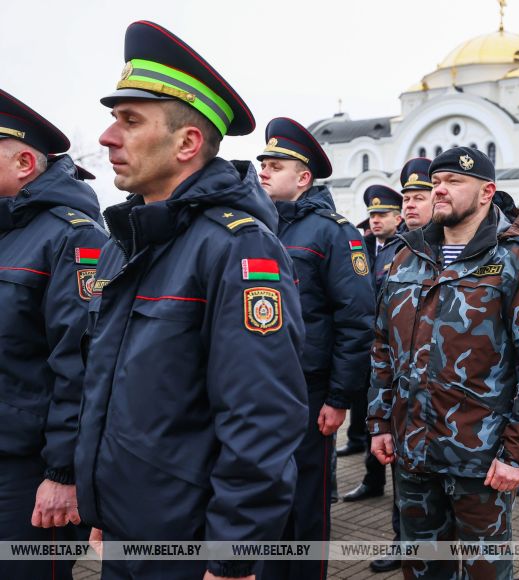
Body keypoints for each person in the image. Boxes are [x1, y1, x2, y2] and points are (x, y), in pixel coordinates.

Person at [74, 21, 308, 580]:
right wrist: (103, 506)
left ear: (187, 143)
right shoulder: (127, 241)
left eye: (129, 121)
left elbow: (261, 415)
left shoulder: (237, 246)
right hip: (130, 528)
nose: (108, 137)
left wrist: (232, 558)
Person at [368, 146, 519, 579]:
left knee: (485, 571)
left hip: (480, 456)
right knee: (422, 567)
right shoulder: (408, 256)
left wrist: (517, 454)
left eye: (453, 182)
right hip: (412, 450)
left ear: (486, 192)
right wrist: (380, 421)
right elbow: (384, 346)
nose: (439, 189)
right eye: (436, 181)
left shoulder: (518, 261)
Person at [256, 117, 375, 580]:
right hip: (259, 386)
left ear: (303, 178)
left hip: (309, 390)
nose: (264, 170)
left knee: (307, 500)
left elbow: (355, 319)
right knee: (263, 495)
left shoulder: (334, 232)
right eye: (263, 162)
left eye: (276, 164)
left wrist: (339, 397)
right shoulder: (257, 227)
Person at [0, 87, 107, 580]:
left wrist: (61, 473)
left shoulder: (72, 235)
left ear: (24, 162)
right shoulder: (9, 231)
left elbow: (82, 366)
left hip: (27, 470)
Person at [345, 157, 435, 574]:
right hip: (402, 387)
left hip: (455, 398)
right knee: (405, 476)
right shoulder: (397, 255)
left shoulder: (473, 252)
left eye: (421, 197)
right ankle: (404, 541)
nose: (412, 205)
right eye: (408, 198)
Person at [338, 184, 404, 458]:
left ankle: (376, 470)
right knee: (360, 397)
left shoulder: (404, 247)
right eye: (372, 214)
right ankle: (363, 459)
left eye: (383, 214)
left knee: (383, 405)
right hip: (363, 336)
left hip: (389, 341)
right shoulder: (360, 247)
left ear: (397, 218)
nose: (375, 220)